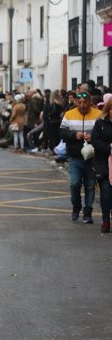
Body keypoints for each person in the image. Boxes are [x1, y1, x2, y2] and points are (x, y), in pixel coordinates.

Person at [60, 87, 101, 223]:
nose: (82, 105)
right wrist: (74, 135)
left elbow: (105, 133)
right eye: (80, 102)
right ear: (76, 102)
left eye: (85, 101)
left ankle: (88, 212)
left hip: (93, 158)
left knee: (90, 185)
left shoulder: (98, 114)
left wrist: (93, 137)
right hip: (75, 157)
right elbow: (61, 133)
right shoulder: (69, 114)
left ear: (90, 101)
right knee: (75, 184)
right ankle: (76, 207)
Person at [91, 98, 112, 233]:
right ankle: (106, 220)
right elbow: (95, 140)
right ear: (108, 109)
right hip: (103, 163)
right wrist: (109, 149)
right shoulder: (100, 123)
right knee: (106, 192)